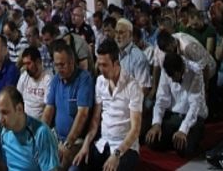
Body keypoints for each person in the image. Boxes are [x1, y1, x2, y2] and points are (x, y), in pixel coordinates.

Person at [72, 40, 142, 171]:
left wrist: (117, 154)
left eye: (105, 65)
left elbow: (135, 129)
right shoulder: (100, 82)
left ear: (116, 63)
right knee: (77, 166)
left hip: (126, 147)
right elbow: (95, 120)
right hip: (103, 143)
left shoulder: (133, 86)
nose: (101, 69)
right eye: (99, 64)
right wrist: (86, 144)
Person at [42, 40, 93, 170]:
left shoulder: (84, 79)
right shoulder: (56, 80)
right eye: (56, 65)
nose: (59, 69)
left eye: (62, 65)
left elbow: (82, 115)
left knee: (58, 165)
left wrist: (68, 143)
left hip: (76, 141)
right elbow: (48, 111)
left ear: (72, 62)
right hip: (56, 137)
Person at [145, 53, 207, 157]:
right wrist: (156, 124)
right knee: (151, 140)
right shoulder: (166, 70)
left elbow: (194, 107)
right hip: (173, 116)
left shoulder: (196, 72)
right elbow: (161, 99)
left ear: (180, 71)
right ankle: (175, 140)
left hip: (193, 118)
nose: (172, 80)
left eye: (173, 76)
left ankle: (184, 140)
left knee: (185, 149)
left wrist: (183, 130)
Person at [0, 86, 59, 171]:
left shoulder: (40, 133)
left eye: (5, 113)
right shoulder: (4, 133)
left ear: (19, 109)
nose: (0, 119)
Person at [16, 47, 53, 120]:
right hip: (23, 120)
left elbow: (48, 109)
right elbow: (17, 99)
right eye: (24, 64)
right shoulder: (24, 76)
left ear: (38, 61)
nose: (26, 67)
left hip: (39, 123)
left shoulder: (48, 79)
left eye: (29, 63)